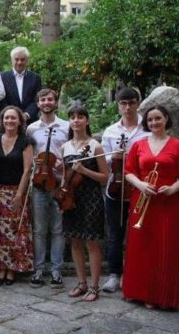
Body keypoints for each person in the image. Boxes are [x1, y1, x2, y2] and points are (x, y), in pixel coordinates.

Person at [123, 105, 179, 310]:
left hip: (167, 202)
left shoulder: (178, 145)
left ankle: (161, 296)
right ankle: (138, 292)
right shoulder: (138, 145)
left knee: (164, 248)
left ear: (166, 119)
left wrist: (172, 189)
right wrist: (141, 184)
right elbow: (128, 171)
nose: (154, 123)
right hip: (142, 199)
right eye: (150, 120)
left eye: (158, 118)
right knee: (140, 247)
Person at [100, 88, 149, 293]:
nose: (127, 107)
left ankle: (138, 273)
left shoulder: (147, 130)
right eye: (123, 103)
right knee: (115, 234)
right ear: (118, 105)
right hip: (116, 187)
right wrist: (116, 157)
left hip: (139, 188)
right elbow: (104, 160)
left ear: (138, 103)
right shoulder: (111, 131)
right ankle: (114, 274)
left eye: (131, 103)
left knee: (140, 233)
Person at [60, 106, 108, 303]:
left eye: (80, 117)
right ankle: (81, 283)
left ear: (87, 121)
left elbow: (105, 177)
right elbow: (65, 175)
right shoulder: (65, 147)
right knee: (75, 242)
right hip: (71, 199)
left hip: (91, 199)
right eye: (72, 117)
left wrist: (85, 171)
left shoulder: (95, 146)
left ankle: (95, 286)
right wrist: (62, 193)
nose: (76, 120)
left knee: (92, 243)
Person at [0, 106, 34, 286]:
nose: (9, 121)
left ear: (20, 121)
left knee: (15, 231)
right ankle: (0, 267)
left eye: (13, 118)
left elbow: (28, 170)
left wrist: (20, 194)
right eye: (6, 118)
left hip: (16, 191)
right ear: (2, 120)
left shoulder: (25, 141)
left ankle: (12, 268)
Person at [26, 88, 68, 288]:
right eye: (43, 99)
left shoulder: (66, 127)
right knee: (40, 229)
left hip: (59, 183)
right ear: (38, 103)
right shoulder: (31, 128)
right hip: (39, 184)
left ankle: (56, 270)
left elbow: (73, 150)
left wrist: (64, 163)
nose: (46, 102)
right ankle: (39, 268)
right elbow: (29, 155)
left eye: (50, 99)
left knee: (58, 229)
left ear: (56, 102)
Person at [0, 46, 42, 124]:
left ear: (27, 61)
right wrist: (12, 115)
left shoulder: (35, 78)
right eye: (16, 59)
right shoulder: (2, 77)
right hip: (9, 121)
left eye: (22, 60)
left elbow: (37, 99)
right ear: (12, 60)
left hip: (30, 121)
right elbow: (1, 100)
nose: (19, 62)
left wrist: (26, 115)